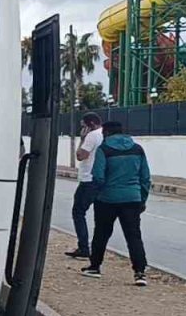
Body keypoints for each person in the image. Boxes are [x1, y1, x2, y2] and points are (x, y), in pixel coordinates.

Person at [82, 121, 152, 286]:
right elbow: (145, 178)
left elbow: (98, 176)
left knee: (101, 233)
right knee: (133, 236)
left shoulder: (104, 150)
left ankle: (95, 266)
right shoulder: (138, 149)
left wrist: (97, 194)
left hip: (107, 199)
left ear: (106, 133)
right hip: (132, 198)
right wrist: (142, 199)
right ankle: (140, 272)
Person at [65, 112, 103, 258]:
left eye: (83, 126)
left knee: (78, 212)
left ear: (90, 124)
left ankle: (84, 248)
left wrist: (82, 140)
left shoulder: (91, 136)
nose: (82, 129)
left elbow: (81, 156)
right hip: (101, 179)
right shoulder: (104, 134)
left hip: (88, 179)